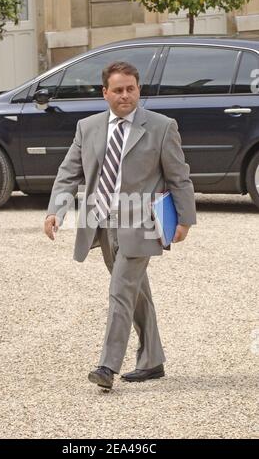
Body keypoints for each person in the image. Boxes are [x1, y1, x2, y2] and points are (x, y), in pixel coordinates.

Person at [44, 62, 196, 390]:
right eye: (118, 90)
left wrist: (185, 219)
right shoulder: (87, 128)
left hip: (142, 223)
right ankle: (153, 360)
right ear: (105, 93)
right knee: (136, 291)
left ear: (138, 90)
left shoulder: (161, 127)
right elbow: (68, 173)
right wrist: (56, 210)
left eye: (131, 88)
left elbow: (178, 176)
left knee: (120, 292)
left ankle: (107, 366)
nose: (125, 95)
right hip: (102, 223)